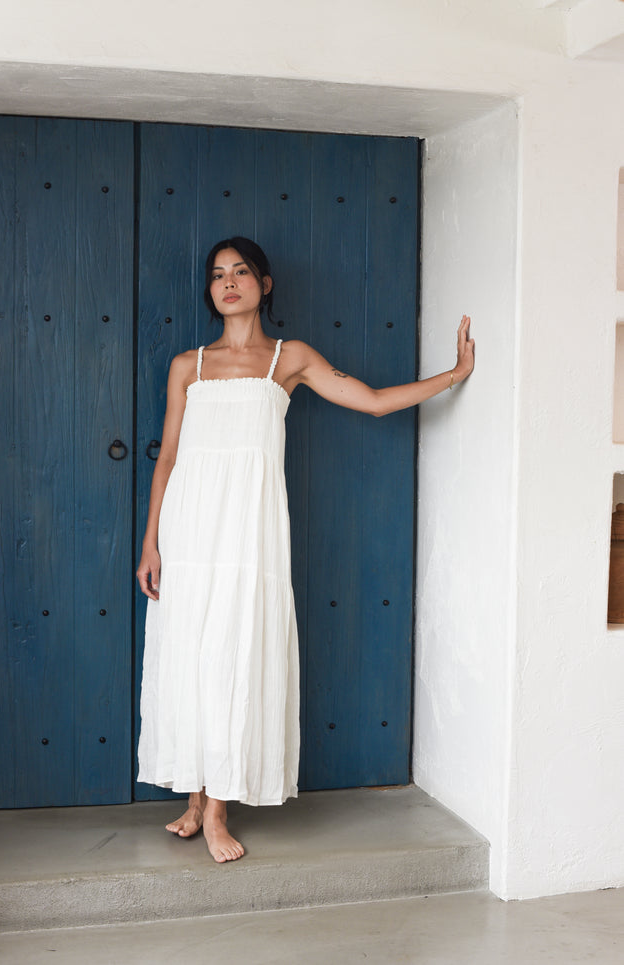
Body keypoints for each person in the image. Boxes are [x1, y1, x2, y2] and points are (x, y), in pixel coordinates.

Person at [136, 236, 475, 864]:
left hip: (248, 531)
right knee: (187, 651)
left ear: (264, 284)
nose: (228, 282)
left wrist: (455, 375)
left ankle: (217, 809)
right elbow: (170, 457)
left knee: (235, 649)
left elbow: (371, 401)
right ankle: (192, 794)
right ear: (209, 290)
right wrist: (152, 540)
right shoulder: (188, 364)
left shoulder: (288, 359)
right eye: (217, 274)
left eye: (241, 271)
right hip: (189, 526)